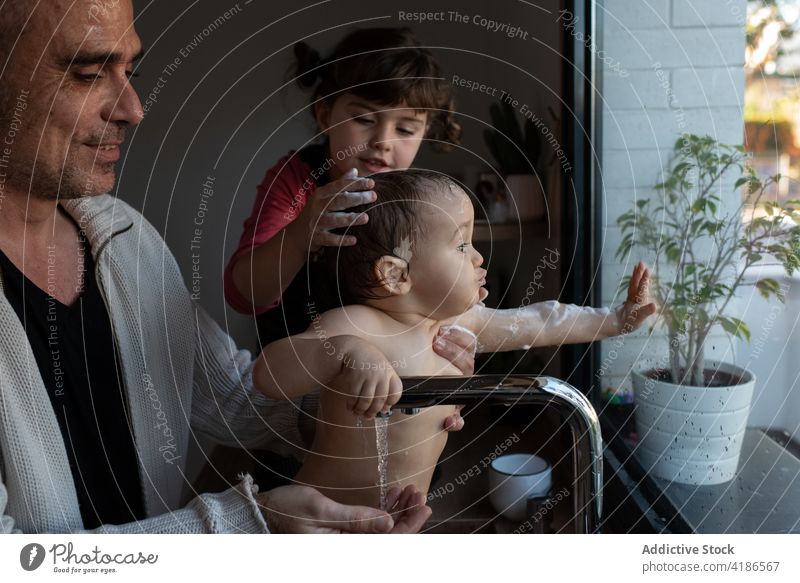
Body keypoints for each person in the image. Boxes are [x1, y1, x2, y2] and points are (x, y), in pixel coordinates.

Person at [0, 0, 429, 534]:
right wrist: (247, 527)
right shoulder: (295, 187)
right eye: (88, 73)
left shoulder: (122, 239)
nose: (133, 108)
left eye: (129, 72)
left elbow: (233, 397)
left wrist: (402, 400)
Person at [255, 170, 657, 507]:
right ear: (396, 275)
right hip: (317, 516)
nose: (479, 258)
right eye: (462, 245)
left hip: (395, 524)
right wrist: (346, 352)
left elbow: (540, 323)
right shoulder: (358, 325)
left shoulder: (457, 325)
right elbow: (269, 375)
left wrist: (615, 320)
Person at [223, 29, 476, 434]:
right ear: (325, 113)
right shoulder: (297, 183)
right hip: (300, 395)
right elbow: (245, 292)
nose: (382, 142)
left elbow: (441, 295)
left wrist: (452, 341)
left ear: (426, 131)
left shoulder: (422, 201)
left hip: (396, 394)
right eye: (363, 119)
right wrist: (304, 229)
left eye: (406, 129)